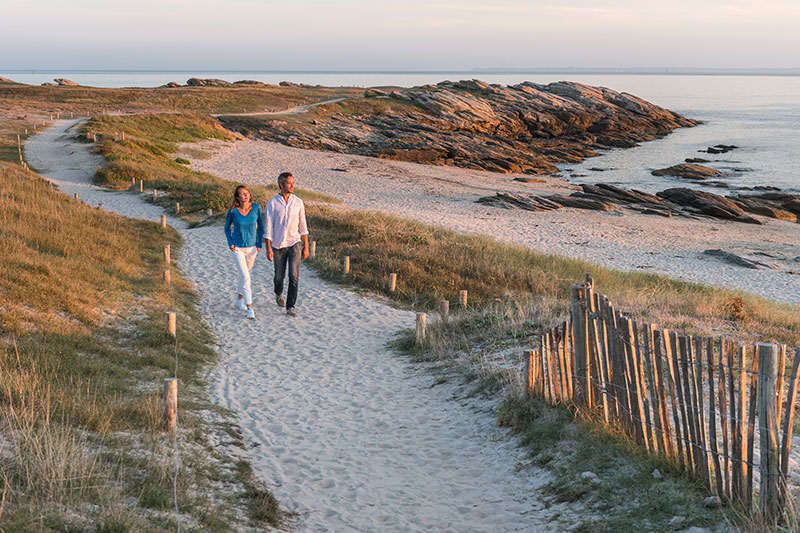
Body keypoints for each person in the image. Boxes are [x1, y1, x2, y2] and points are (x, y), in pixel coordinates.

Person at [264, 172, 309, 317]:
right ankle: (278, 293)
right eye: (289, 183)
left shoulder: (298, 202)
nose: (292, 186)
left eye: (293, 183)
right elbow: (268, 227)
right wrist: (268, 248)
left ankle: (291, 306)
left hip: (295, 243)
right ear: (281, 185)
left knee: (294, 276)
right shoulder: (273, 202)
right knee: (279, 276)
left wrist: (306, 246)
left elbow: (303, 226)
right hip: (278, 245)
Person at [224, 185, 263, 319]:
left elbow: (261, 226)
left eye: (247, 193)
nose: (245, 195)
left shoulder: (257, 208)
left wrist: (259, 243)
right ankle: (250, 308)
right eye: (242, 194)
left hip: (252, 248)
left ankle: (239, 299)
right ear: (237, 197)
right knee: (246, 277)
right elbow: (226, 228)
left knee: (244, 275)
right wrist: (231, 243)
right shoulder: (233, 211)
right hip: (238, 248)